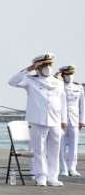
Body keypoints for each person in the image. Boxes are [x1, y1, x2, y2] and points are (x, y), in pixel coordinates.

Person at [9, 54, 67, 186]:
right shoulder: (30, 80)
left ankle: (53, 177)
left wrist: (64, 120)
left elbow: (63, 102)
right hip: (37, 119)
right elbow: (12, 82)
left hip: (55, 120)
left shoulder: (58, 81)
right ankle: (41, 176)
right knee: (39, 149)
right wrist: (29, 69)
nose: (47, 67)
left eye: (49, 64)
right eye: (44, 65)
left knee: (54, 149)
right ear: (38, 67)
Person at [57, 65, 84, 177]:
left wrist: (82, 121)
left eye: (71, 74)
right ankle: (63, 168)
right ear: (62, 75)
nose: (70, 76)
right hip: (60, 119)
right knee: (61, 145)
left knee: (74, 146)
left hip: (74, 120)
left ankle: (72, 168)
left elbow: (82, 105)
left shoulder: (78, 87)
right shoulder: (58, 86)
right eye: (67, 74)